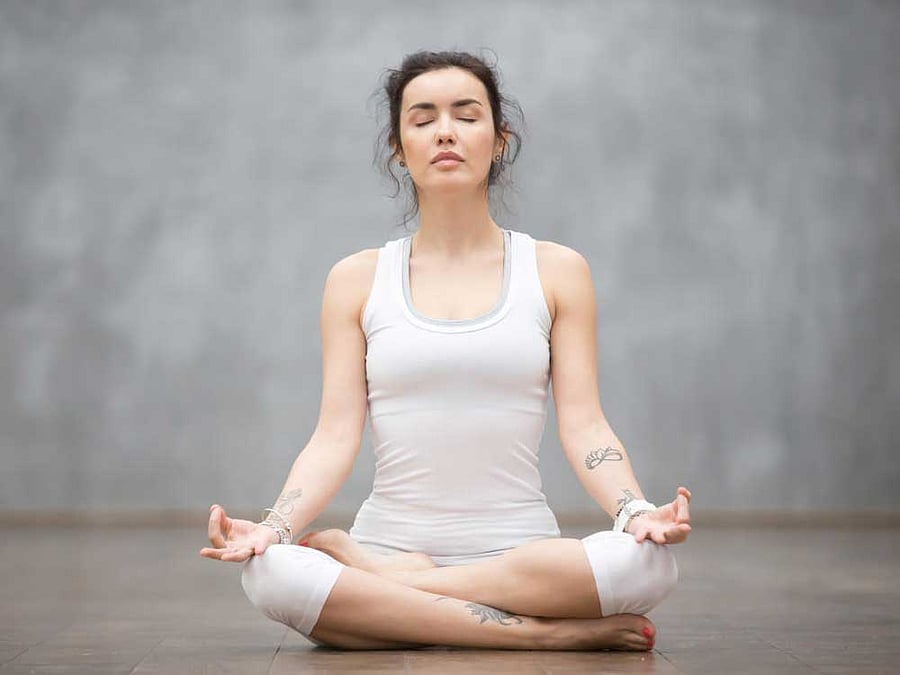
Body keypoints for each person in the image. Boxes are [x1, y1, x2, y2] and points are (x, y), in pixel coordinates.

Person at [200, 50, 692, 652]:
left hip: (521, 554)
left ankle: (394, 593)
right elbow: (333, 436)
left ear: (500, 139)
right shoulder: (356, 279)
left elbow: (586, 425)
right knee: (271, 574)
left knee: (646, 563)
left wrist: (634, 510)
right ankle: (538, 636)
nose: (446, 132)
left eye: (466, 114)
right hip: (390, 536)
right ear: (397, 148)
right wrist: (274, 528)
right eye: (423, 118)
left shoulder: (557, 271)